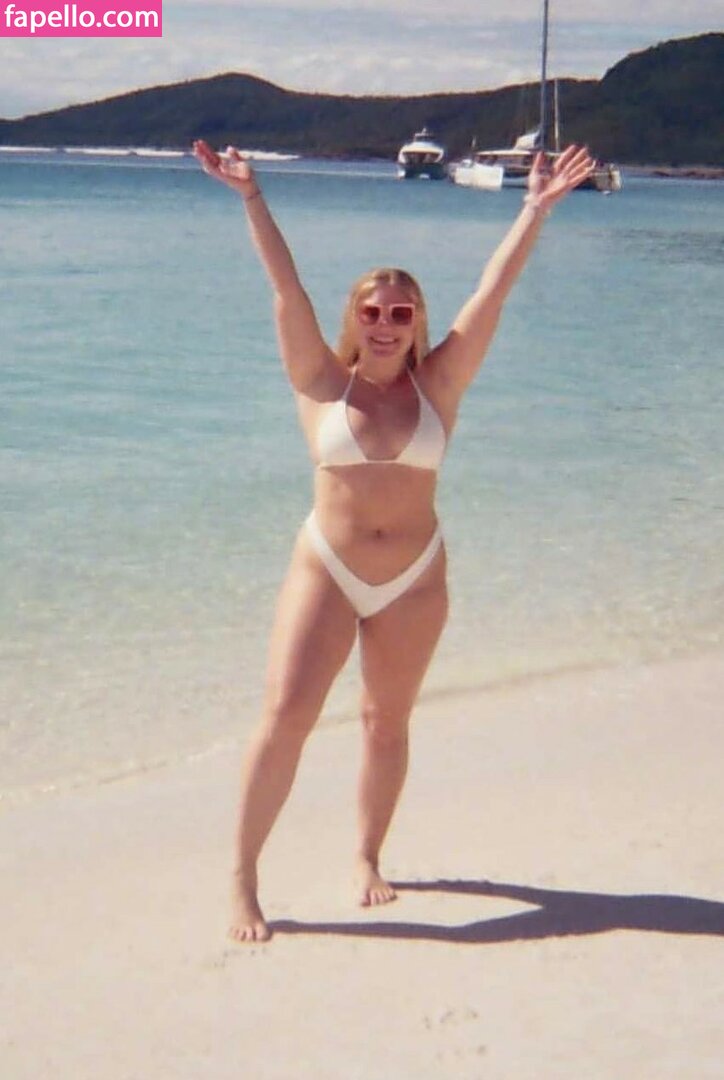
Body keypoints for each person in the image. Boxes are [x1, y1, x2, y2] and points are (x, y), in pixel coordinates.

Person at [193, 139, 593, 942]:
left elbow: (491, 292)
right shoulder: (319, 380)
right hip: (328, 567)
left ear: (418, 325)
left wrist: (534, 209)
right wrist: (252, 198)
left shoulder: (440, 382)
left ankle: (367, 856)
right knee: (286, 716)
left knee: (387, 721)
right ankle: (242, 876)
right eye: (371, 312)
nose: (383, 324)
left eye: (400, 313)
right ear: (353, 318)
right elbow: (285, 288)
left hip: (415, 576)